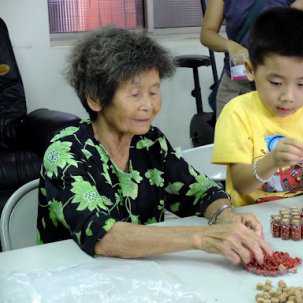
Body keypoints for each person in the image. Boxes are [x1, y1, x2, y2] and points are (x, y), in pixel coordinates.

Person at [37, 27, 271, 265]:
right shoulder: (66, 152)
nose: (149, 105)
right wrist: (203, 237)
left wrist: (225, 216)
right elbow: (103, 237)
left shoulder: (149, 142)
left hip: (140, 274)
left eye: (154, 91)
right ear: (95, 99)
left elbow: (201, 192)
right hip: (72, 276)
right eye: (135, 94)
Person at [212, 7, 303, 207]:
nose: (288, 97)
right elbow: (241, 184)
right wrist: (271, 162)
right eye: (275, 83)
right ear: (250, 70)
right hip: (252, 218)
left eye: (302, 84)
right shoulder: (237, 113)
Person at [200, 0, 303, 117]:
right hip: (238, 83)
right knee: (230, 132)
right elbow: (207, 34)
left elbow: (302, 35)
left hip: (278, 85)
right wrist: (231, 46)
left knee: (278, 134)